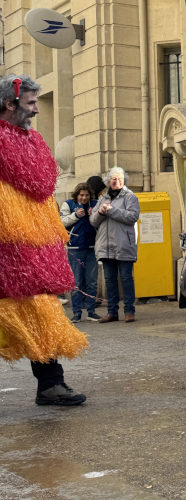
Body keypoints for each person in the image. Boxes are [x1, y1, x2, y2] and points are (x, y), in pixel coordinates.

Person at [0, 74, 87, 405]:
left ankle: (51, 384)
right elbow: (33, 176)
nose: (37, 110)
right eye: (31, 103)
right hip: (7, 241)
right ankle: (51, 384)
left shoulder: (32, 140)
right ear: (10, 104)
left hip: (29, 245)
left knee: (39, 308)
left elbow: (44, 178)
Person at [90, 167, 140, 323]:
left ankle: (129, 311)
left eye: (119, 178)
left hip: (123, 244)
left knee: (126, 278)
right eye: (113, 179)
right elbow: (92, 221)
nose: (116, 181)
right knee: (110, 280)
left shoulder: (130, 197)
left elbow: (132, 216)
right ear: (108, 181)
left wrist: (111, 211)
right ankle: (112, 312)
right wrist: (100, 213)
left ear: (123, 180)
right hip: (106, 246)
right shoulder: (102, 198)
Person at [60, 182, 101, 323]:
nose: (84, 198)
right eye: (82, 195)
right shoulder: (68, 204)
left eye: (87, 195)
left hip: (91, 247)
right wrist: (76, 215)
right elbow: (61, 222)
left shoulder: (95, 204)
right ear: (77, 195)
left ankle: (91, 311)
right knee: (76, 282)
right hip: (75, 249)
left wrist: (94, 215)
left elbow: (101, 221)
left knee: (92, 282)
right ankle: (77, 313)